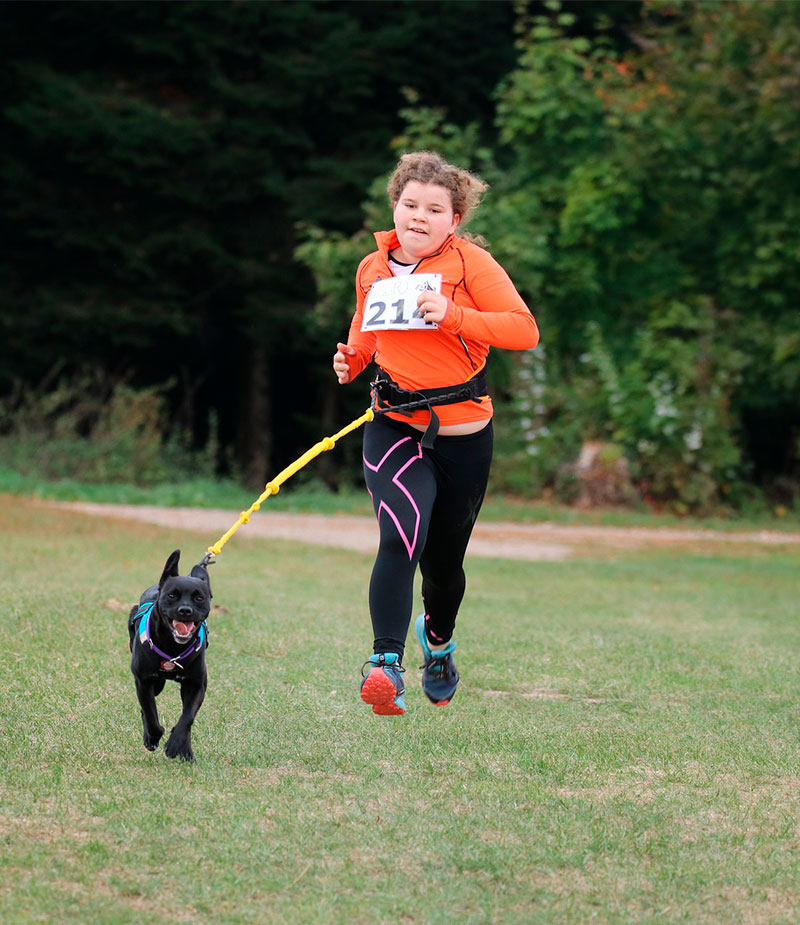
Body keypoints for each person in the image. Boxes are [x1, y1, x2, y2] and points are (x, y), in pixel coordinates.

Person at [332, 151, 539, 716]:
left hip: (465, 435)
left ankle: (439, 642)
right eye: (409, 204)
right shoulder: (371, 268)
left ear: (454, 220)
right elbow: (365, 336)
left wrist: (452, 315)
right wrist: (351, 360)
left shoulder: (471, 265)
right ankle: (385, 665)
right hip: (395, 425)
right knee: (402, 533)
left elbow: (523, 330)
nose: (418, 216)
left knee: (444, 566)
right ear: (394, 208)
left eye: (434, 209)